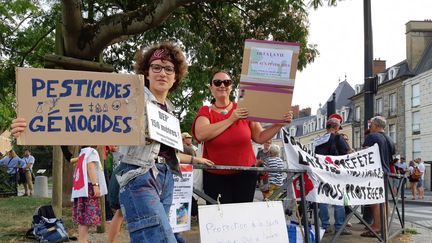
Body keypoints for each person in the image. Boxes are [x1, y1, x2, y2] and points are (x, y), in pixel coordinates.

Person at [112, 43, 214, 242]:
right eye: (156, 67)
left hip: (166, 179)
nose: (162, 73)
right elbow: (100, 124)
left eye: (169, 69)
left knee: (150, 237)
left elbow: (165, 153)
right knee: (161, 238)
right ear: (146, 73)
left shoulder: (169, 110)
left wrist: (195, 160)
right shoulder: (131, 100)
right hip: (139, 176)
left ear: (175, 77)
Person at [192, 70, 293, 204]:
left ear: (231, 87)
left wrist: (279, 124)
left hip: (245, 174)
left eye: (226, 82)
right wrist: (231, 119)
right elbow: (201, 134)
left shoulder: (245, 108)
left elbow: (260, 137)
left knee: (242, 218)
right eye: (217, 82)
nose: (222, 85)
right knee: (221, 217)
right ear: (211, 87)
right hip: (216, 175)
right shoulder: (206, 111)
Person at [314, 117, 352, 235]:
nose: (338, 130)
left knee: (323, 199)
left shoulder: (320, 139)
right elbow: (347, 153)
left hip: (321, 172)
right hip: (335, 172)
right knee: (338, 199)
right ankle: (339, 226)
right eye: (338, 128)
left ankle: (324, 225)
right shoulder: (338, 137)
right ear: (335, 127)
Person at [361, 116, 395, 237]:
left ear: (375, 125)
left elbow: (365, 153)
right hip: (386, 173)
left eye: (371, 126)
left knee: (375, 200)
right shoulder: (390, 139)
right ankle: (384, 225)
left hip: (374, 173)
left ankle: (376, 227)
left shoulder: (372, 136)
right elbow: (391, 158)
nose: (370, 128)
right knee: (384, 200)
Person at [70, 146, 107, 243]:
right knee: (87, 216)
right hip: (89, 188)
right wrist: (95, 185)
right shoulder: (92, 151)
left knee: (83, 216)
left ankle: (82, 239)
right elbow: (90, 167)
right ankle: (82, 240)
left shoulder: (83, 151)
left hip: (82, 188)